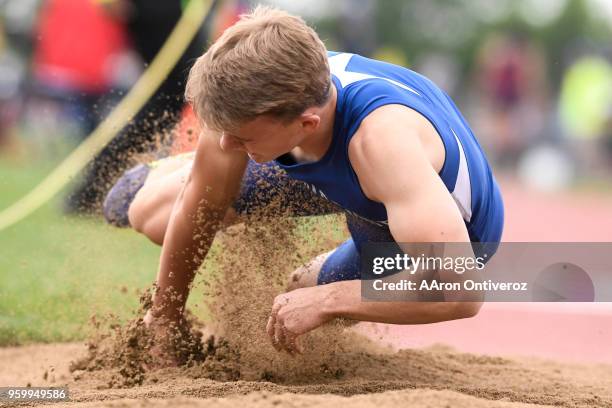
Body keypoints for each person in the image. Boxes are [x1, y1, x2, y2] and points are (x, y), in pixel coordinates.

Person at [103, 6, 504, 357]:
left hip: (416, 220)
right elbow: (202, 206)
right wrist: (164, 320)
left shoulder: (381, 145)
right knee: (150, 214)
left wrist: (329, 299)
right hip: (325, 159)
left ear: (305, 122)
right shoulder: (250, 92)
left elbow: (462, 292)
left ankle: (318, 266)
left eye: (240, 137)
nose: (226, 143)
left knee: (300, 294)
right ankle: (181, 170)